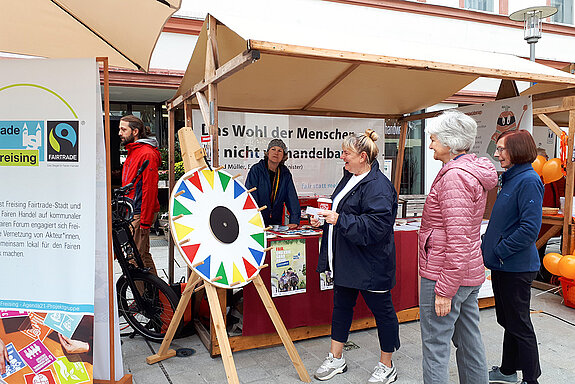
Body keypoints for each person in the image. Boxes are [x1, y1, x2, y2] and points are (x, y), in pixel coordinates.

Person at [312, 129, 399, 383]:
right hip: (347, 259)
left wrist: (339, 219)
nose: (342, 157)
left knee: (383, 312)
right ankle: (336, 358)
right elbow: (341, 210)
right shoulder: (350, 176)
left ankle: (387, 364)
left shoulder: (379, 186)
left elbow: (376, 227)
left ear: (363, 156)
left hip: (372, 264)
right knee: (341, 308)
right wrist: (325, 218)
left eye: (346, 153)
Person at [418, 110, 497, 384]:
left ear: (449, 143)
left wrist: (444, 291)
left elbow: (458, 237)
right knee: (469, 341)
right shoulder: (467, 171)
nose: (430, 145)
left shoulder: (454, 177)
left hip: (446, 274)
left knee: (435, 345)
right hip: (467, 272)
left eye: (433, 139)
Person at [482, 130, 544, 384]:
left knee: (519, 324)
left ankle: (531, 379)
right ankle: (508, 371)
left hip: (515, 266)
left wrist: (499, 251)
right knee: (508, 320)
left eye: (501, 149)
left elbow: (530, 228)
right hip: (504, 265)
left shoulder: (528, 180)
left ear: (517, 150)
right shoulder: (511, 178)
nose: (497, 154)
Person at [119, 115, 161, 275]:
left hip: (138, 211)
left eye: (123, 129)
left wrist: (144, 222)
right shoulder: (134, 151)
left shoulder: (146, 154)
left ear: (135, 131)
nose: (120, 133)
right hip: (133, 211)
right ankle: (156, 296)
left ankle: (143, 297)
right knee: (142, 255)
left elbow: (149, 190)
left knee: (134, 257)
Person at [246, 139, 300, 228]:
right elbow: (251, 196)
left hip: (276, 222)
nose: (276, 153)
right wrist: (254, 218)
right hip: (257, 221)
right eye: (273, 149)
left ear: (283, 156)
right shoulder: (256, 170)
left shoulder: (285, 173)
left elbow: (291, 197)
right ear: (267, 152)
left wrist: (294, 220)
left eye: (280, 151)